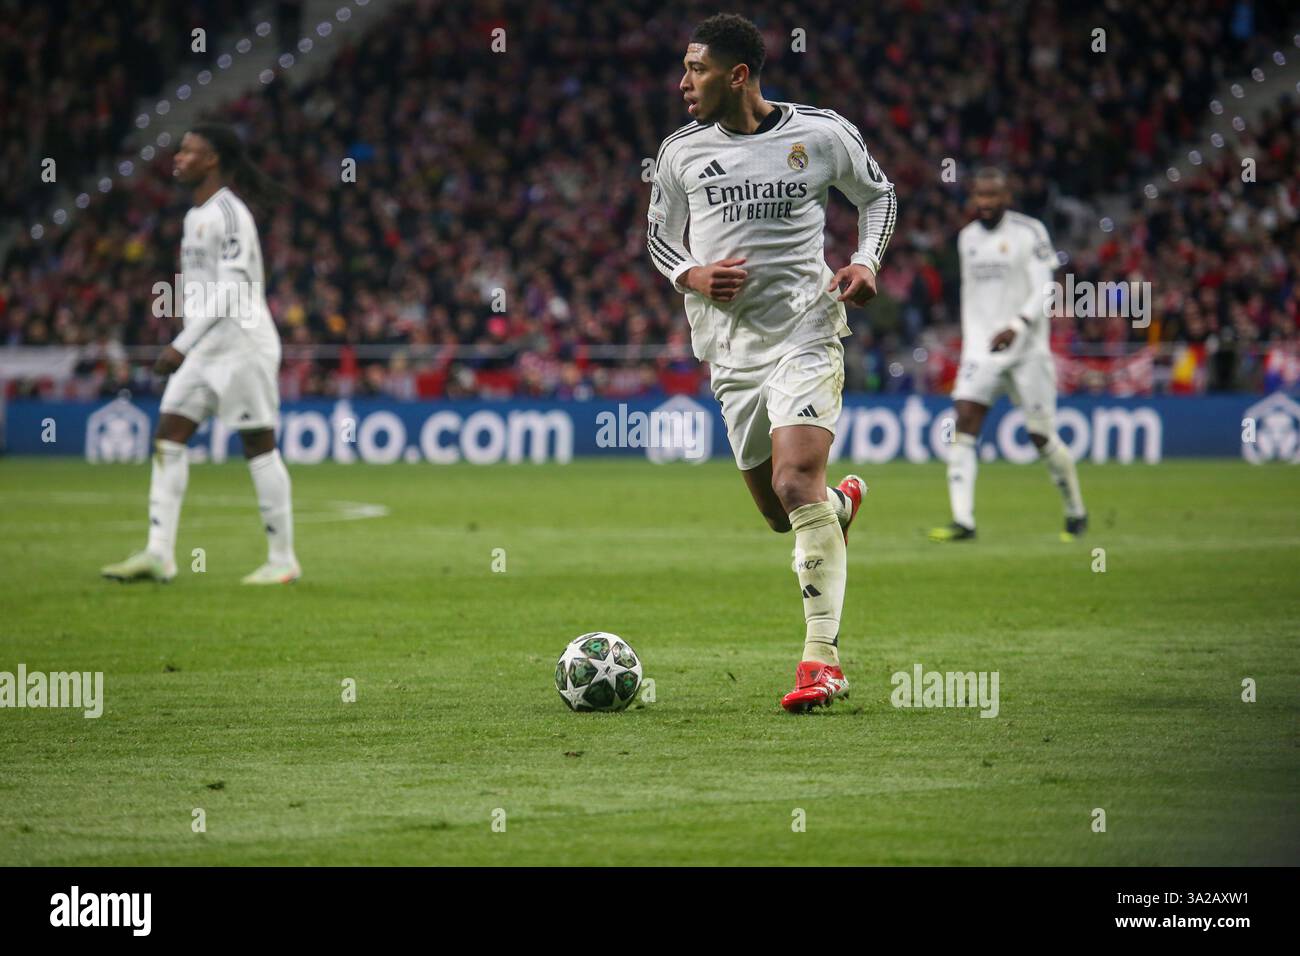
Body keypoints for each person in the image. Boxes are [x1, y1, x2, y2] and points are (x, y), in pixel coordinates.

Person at [647, 14, 896, 712]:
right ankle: (837, 505)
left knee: (794, 479)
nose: (683, 82)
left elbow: (879, 196)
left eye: (695, 69)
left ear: (738, 75)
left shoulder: (820, 133)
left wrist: (865, 260)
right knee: (782, 515)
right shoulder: (680, 152)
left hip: (807, 330)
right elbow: (659, 239)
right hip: (731, 353)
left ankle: (822, 661)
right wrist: (690, 276)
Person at [101, 123, 300, 585]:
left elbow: (232, 291)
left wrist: (179, 344)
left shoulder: (230, 214)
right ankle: (158, 554)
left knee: (258, 445)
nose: (178, 157)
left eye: (188, 151)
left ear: (212, 160)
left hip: (242, 347)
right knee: (169, 437)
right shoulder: (194, 217)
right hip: (205, 349)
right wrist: (189, 339)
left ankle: (282, 558)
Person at [929, 167, 1087, 543]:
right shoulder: (966, 238)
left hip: (1027, 350)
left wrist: (1016, 325)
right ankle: (963, 521)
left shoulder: (1029, 232)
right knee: (965, 421)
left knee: (1040, 436)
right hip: (981, 351)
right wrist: (972, 338)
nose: (984, 203)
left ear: (1007, 197)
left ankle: (1075, 512)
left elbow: (1045, 288)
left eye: (992, 196)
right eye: (979, 196)